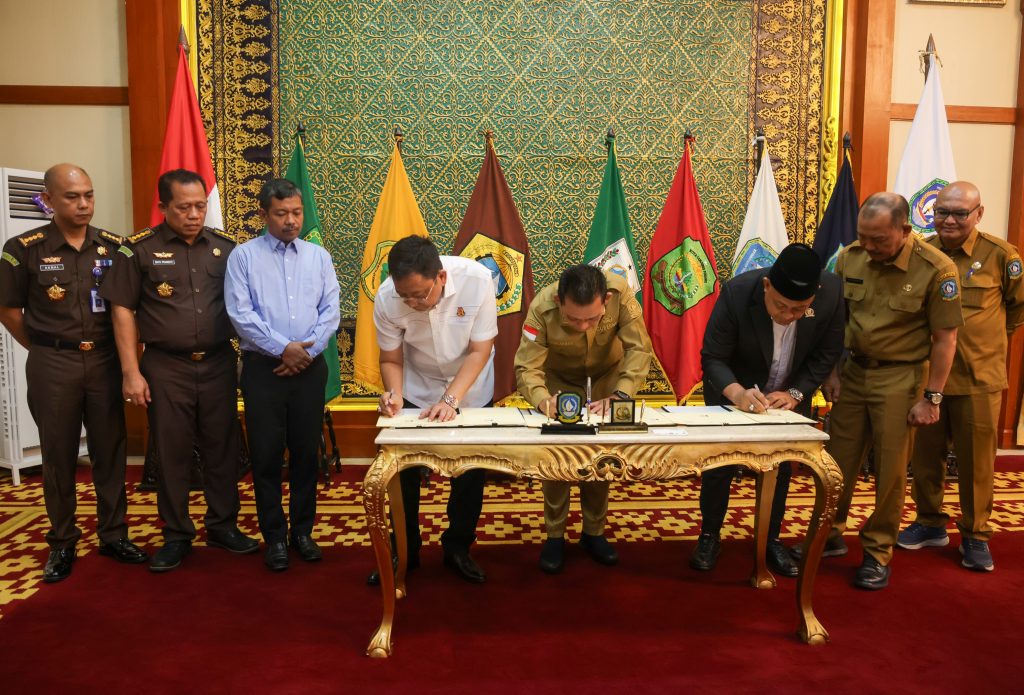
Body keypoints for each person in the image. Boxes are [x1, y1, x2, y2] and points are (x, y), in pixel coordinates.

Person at [101, 168, 258, 572]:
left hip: (218, 361)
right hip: (165, 365)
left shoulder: (226, 248)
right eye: (184, 207)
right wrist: (130, 371)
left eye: (200, 206)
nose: (194, 215)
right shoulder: (137, 250)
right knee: (171, 451)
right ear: (163, 207)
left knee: (222, 447)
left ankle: (222, 526)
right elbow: (122, 310)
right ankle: (176, 534)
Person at [0, 163, 147, 582]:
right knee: (59, 454)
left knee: (110, 450)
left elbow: (128, 308)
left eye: (88, 195)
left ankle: (113, 534)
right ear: (48, 200)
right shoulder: (23, 248)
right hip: (53, 362)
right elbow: (8, 310)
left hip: (104, 361)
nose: (83, 204)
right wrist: (44, 347)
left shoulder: (115, 247)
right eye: (72, 196)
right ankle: (63, 541)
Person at [825, 192, 963, 590]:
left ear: (904, 229)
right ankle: (827, 535)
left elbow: (945, 340)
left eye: (879, 239)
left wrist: (931, 397)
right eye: (863, 237)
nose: (868, 246)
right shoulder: (849, 257)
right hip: (854, 373)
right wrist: (831, 372)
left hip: (901, 378)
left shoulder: (936, 269)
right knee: (836, 463)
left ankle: (877, 551)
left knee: (890, 471)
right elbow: (835, 320)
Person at [693, 243, 844, 578]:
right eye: (780, 306)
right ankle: (709, 535)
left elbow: (827, 352)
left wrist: (795, 393)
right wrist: (737, 394)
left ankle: (770, 538)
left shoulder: (832, 291)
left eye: (799, 309)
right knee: (720, 464)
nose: (788, 316)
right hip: (734, 389)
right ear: (766, 286)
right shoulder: (737, 293)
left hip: (787, 394)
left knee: (781, 466)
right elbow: (713, 357)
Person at [898, 182, 1024, 572]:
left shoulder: (1001, 256)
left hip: (978, 379)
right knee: (925, 457)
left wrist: (984, 344)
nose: (949, 220)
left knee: (976, 463)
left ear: (978, 214)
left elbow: (1017, 309)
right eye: (942, 212)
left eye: (959, 213)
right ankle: (929, 521)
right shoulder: (921, 253)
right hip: (929, 378)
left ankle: (976, 534)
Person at [225, 179, 340, 571]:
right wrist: (283, 348)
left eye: (296, 212)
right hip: (264, 370)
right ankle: (274, 537)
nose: (291, 221)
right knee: (267, 455)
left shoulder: (318, 256)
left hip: (309, 368)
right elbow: (241, 314)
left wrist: (304, 351)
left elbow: (330, 311)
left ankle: (302, 533)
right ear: (264, 214)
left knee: (307, 454)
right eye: (281, 214)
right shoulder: (243, 257)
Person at [369, 234, 497, 585]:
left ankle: (458, 547)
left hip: (469, 386)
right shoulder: (387, 297)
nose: (412, 303)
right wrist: (394, 394)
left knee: (470, 474)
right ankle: (405, 549)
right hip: (418, 385)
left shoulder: (478, 280)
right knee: (404, 472)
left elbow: (480, 351)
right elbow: (390, 358)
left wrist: (451, 400)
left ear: (440, 277)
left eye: (419, 294)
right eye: (405, 296)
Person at [514, 264, 653, 574]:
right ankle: (555, 535)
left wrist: (621, 394)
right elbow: (527, 367)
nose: (583, 326)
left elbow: (639, 349)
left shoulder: (620, 294)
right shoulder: (541, 308)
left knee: (600, 459)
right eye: (574, 319)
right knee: (557, 459)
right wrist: (542, 400)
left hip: (607, 381)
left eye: (592, 318)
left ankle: (594, 532)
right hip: (558, 383)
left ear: (606, 300)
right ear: (559, 301)